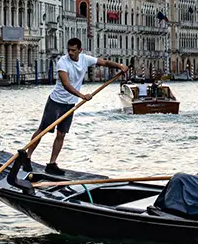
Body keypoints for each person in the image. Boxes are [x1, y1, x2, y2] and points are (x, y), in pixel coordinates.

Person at [30, 38, 126, 175]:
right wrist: (82, 96)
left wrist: (120, 66)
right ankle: (27, 158)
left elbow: (104, 62)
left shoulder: (85, 59)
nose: (70, 53)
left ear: (80, 50)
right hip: (56, 101)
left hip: (70, 104)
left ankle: (51, 164)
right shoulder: (63, 62)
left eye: (73, 50)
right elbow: (66, 84)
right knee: (43, 130)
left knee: (61, 134)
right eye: (68, 50)